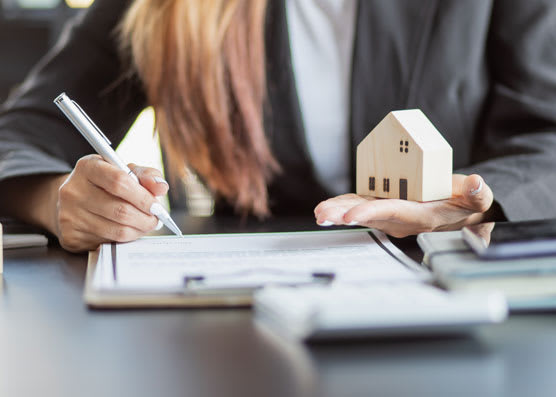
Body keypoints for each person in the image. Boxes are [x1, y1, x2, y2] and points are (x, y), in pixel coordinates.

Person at [0, 0, 555, 253]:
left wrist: (478, 200)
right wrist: (56, 201)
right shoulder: (160, 8)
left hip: (451, 286)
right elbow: (20, 135)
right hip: (236, 315)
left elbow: (547, 136)